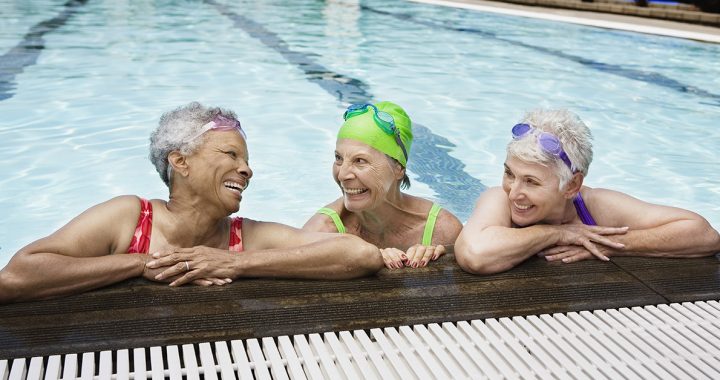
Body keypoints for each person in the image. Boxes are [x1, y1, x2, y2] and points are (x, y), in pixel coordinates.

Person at [0, 102, 383, 303]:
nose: (246, 170)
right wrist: (140, 263)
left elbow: (361, 255)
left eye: (246, 160)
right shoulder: (129, 219)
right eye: (231, 154)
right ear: (180, 161)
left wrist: (233, 261)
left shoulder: (245, 236)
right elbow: (17, 277)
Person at [455, 108, 720, 275]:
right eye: (509, 174)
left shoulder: (594, 205)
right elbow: (476, 255)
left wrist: (614, 245)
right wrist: (558, 233)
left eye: (532, 182)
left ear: (571, 185)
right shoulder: (498, 199)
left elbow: (704, 235)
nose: (514, 192)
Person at [303, 101, 462, 269]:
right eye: (338, 158)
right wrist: (365, 256)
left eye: (360, 161)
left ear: (398, 169)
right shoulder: (322, 230)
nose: (342, 175)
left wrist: (438, 261)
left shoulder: (442, 230)